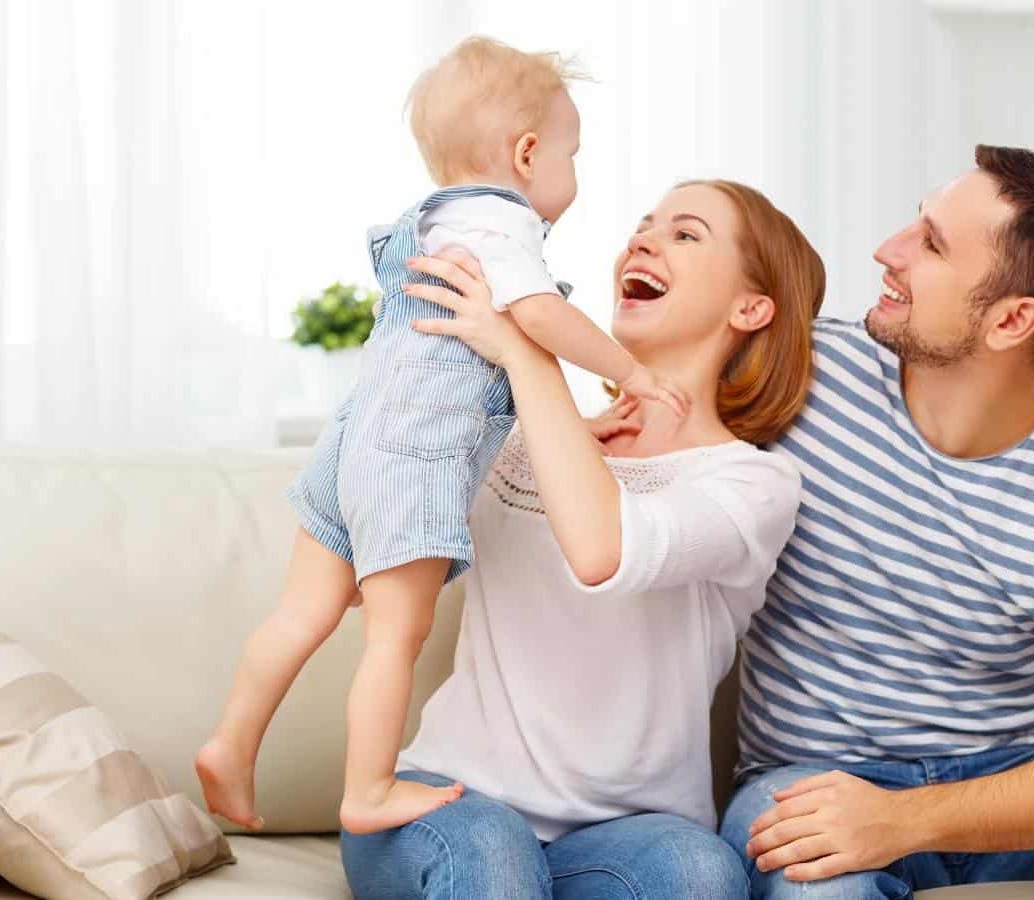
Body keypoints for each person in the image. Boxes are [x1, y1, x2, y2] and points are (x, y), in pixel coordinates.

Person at [195, 36, 687, 836]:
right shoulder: (503, 222)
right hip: (410, 461)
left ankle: (231, 741)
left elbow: (488, 368)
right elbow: (536, 321)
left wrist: (582, 424)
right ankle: (370, 789)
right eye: (572, 152)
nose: (573, 171)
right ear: (527, 154)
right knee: (397, 633)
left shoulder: (434, 222)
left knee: (300, 615)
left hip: (353, 446)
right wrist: (628, 373)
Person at [340, 177, 825, 898]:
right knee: (492, 857)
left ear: (750, 308)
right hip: (452, 800)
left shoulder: (751, 486)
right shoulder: (508, 436)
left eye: (684, 234)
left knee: (697, 871)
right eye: (643, 224)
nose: (643, 239)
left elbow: (604, 551)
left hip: (625, 836)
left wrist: (524, 353)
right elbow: (374, 518)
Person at [720, 145, 1034, 898]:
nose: (886, 250)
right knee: (817, 887)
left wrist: (905, 820)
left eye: (930, 243)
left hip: (1016, 790)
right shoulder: (796, 373)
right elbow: (644, 373)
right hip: (813, 779)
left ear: (1010, 320)